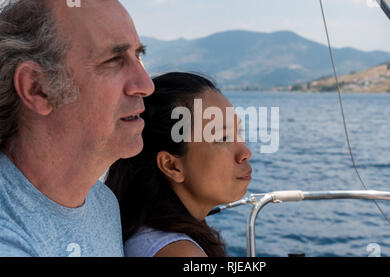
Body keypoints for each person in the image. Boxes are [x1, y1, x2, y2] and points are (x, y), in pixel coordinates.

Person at [0, 0, 154, 257]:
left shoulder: (102, 203)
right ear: (37, 88)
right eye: (114, 59)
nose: (146, 84)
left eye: (138, 56)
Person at [106, 72, 253, 257]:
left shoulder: (147, 233)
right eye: (223, 138)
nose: (246, 153)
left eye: (238, 132)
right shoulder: (180, 252)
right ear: (171, 166)